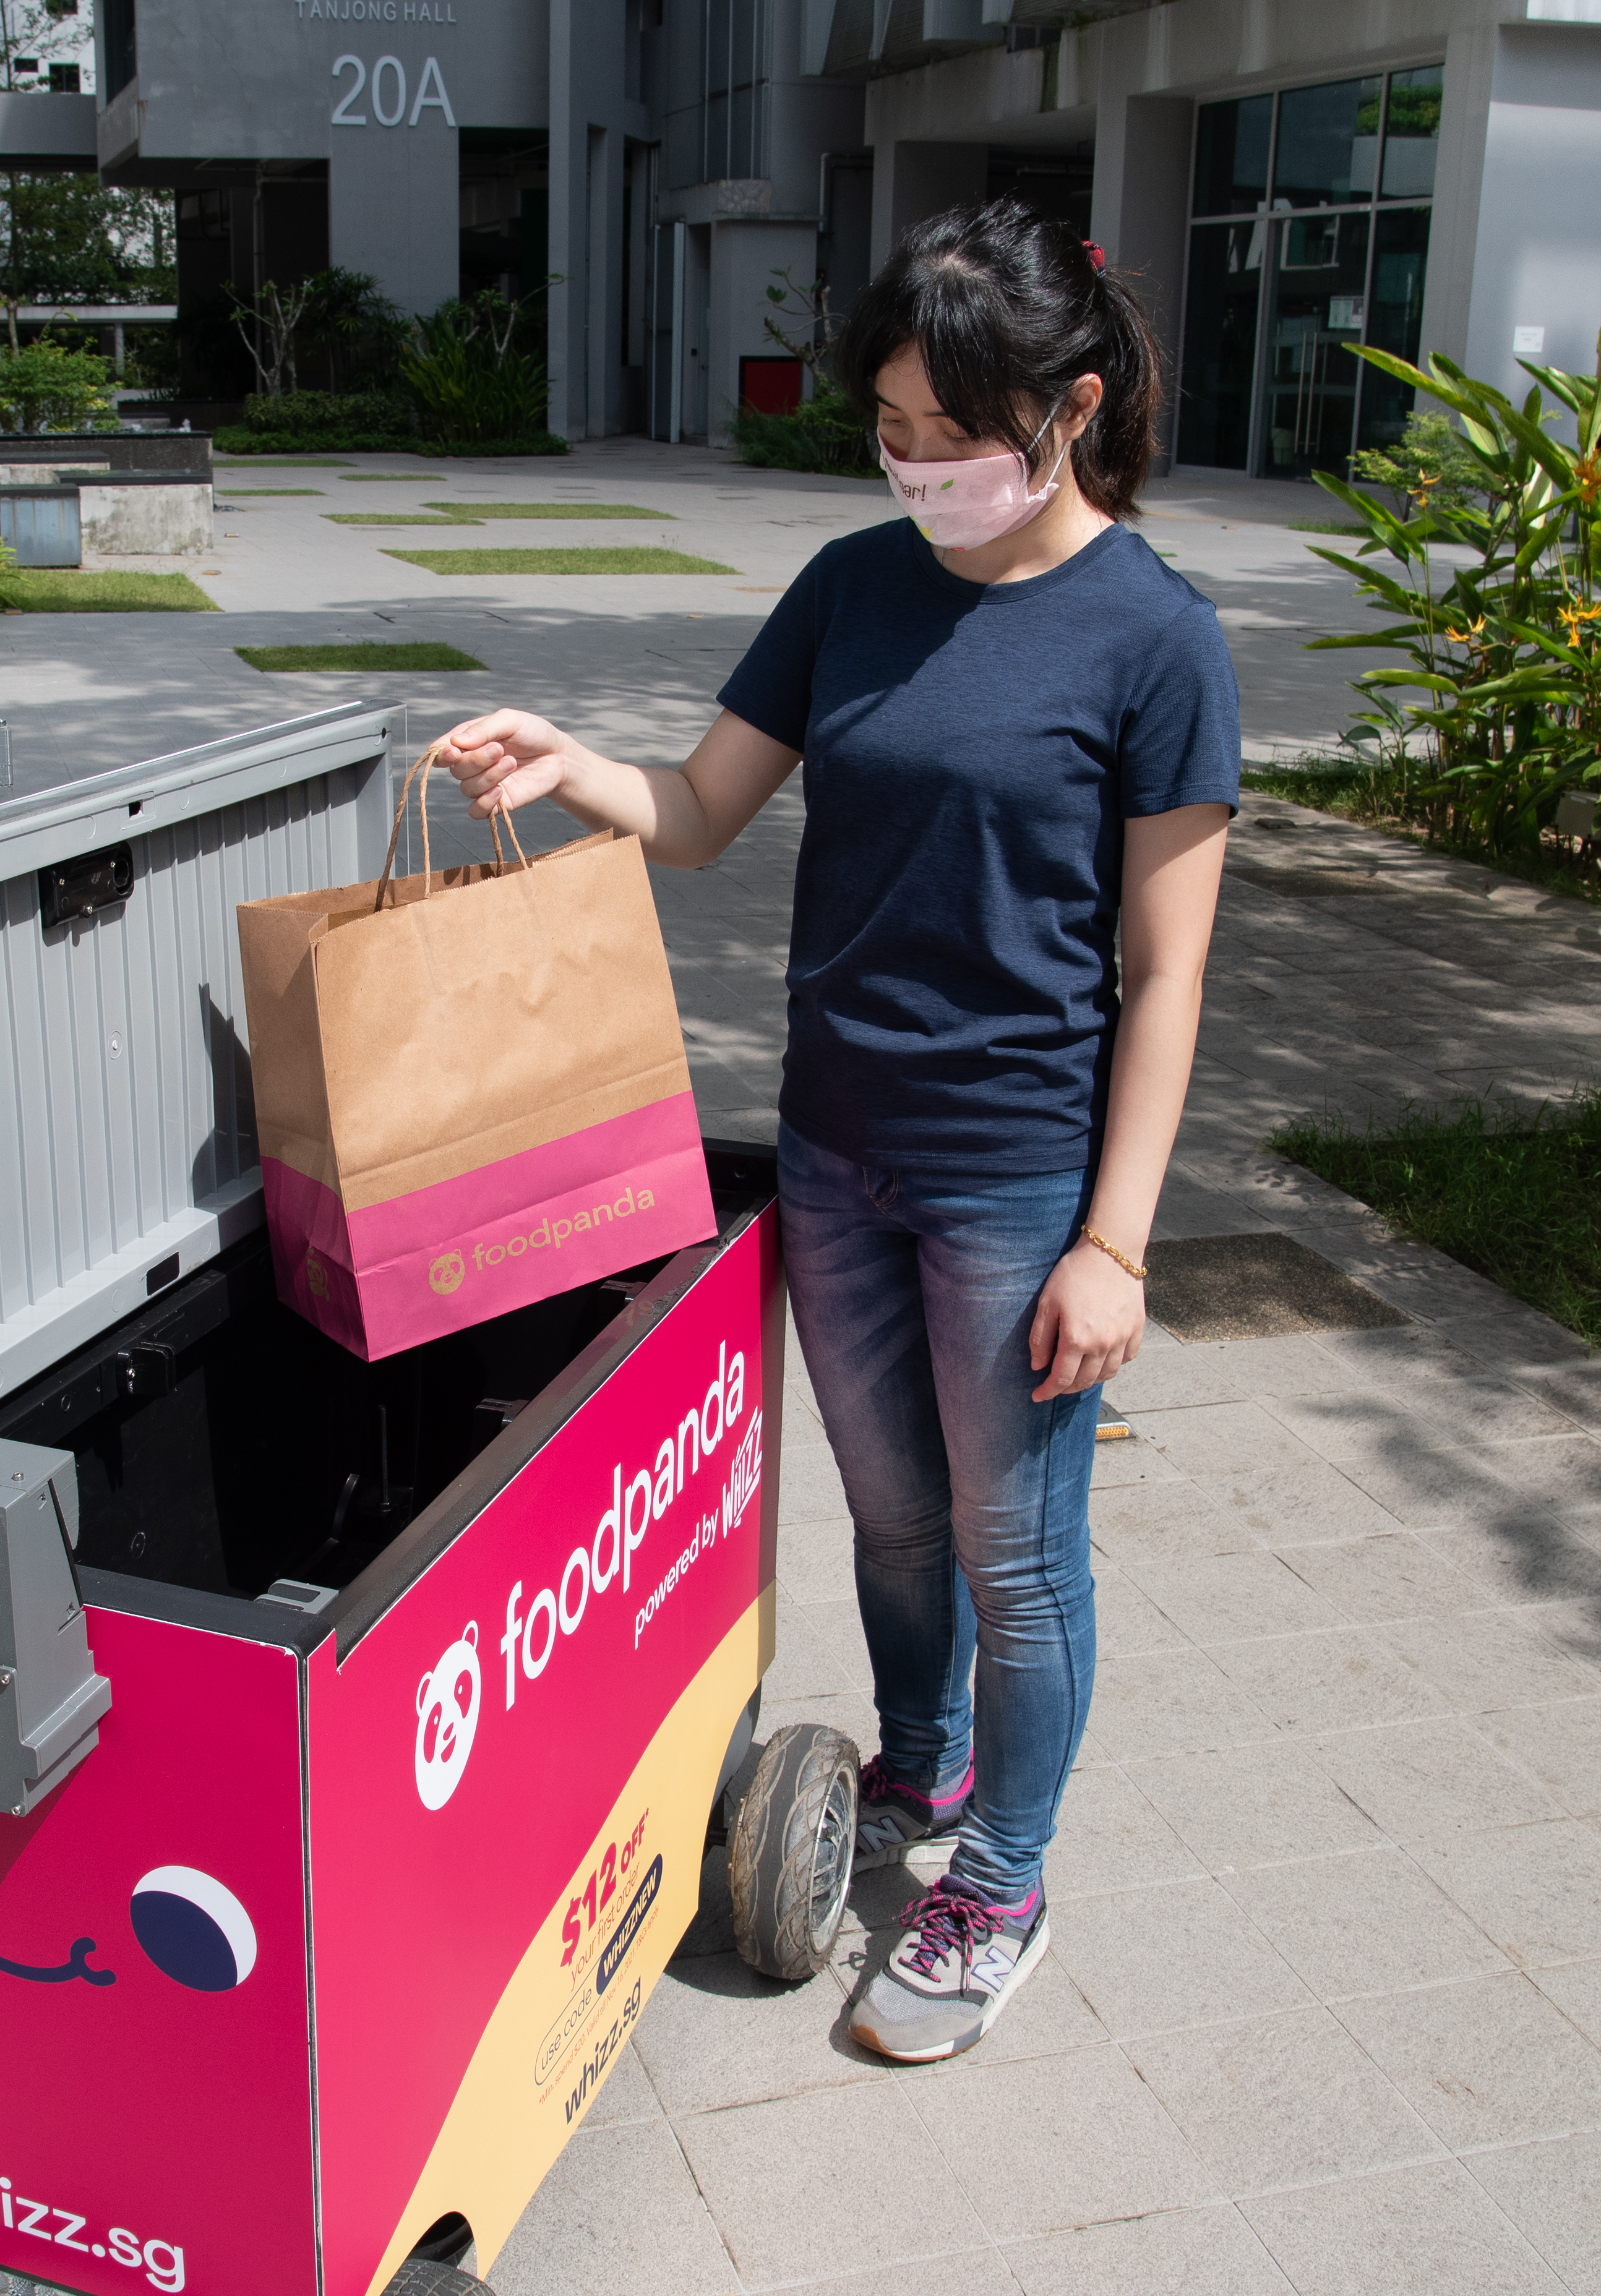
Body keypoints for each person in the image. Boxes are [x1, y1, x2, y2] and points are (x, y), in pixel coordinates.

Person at [429, 199, 1238, 2064]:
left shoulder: (1156, 639)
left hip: (1018, 1171)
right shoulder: (852, 586)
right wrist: (569, 769)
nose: (918, 468)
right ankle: (920, 1769)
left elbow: (1168, 974)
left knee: (1015, 1548)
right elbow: (706, 811)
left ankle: (1005, 1875)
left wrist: (1115, 1243)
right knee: (889, 1518)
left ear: (1071, 405)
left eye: (955, 438)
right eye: (891, 430)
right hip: (838, 1147)